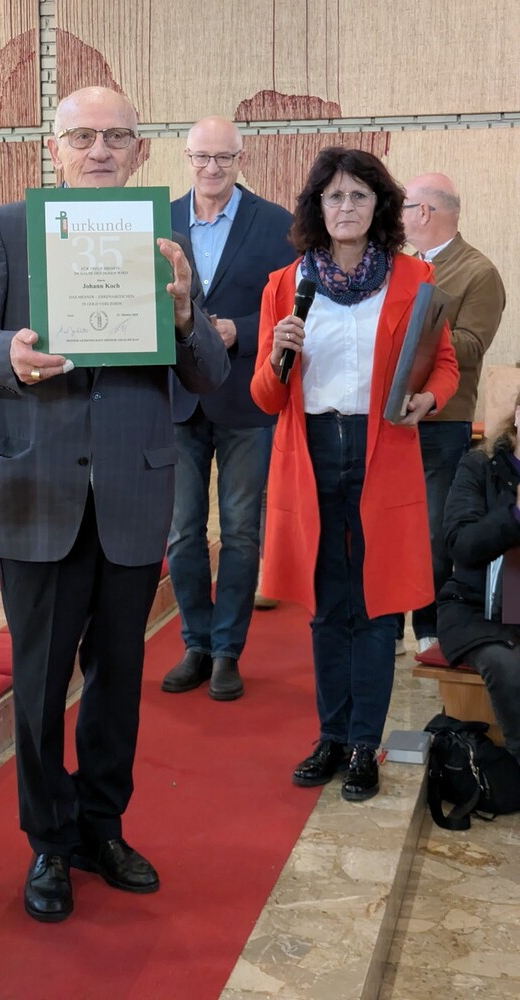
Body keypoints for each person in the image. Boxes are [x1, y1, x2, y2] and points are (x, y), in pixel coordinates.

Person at [0, 86, 229, 923]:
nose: (100, 150)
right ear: (54, 148)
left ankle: (102, 827)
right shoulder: (5, 229)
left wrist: (183, 313)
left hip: (132, 490)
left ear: (139, 151)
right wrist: (8, 353)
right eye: (84, 137)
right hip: (38, 492)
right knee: (38, 682)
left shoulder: (166, 241)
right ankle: (48, 842)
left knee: (118, 678)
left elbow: (209, 373)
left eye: (116, 137)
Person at [250, 147, 458, 801]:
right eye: (334, 196)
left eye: (358, 196)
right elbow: (264, 397)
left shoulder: (413, 278)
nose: (345, 207)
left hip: (381, 455)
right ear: (317, 206)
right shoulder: (285, 284)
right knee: (325, 607)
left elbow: (445, 364)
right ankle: (331, 737)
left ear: (379, 206)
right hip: (309, 455)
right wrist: (277, 357)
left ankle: (365, 744)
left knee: (374, 609)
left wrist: (430, 399)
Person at [162, 116, 295, 701]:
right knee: (182, 533)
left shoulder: (277, 224)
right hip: (177, 399)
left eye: (224, 157)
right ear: (187, 158)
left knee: (241, 532)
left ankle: (227, 651)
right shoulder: (162, 221)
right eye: (202, 157)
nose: (211, 168)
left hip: (246, 398)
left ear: (242, 159)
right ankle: (195, 642)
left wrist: (240, 329)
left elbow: (296, 304)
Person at [400, 173, 505, 653]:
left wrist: (414, 332)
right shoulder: (402, 266)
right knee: (389, 527)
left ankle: (432, 629)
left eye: (404, 208)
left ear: (424, 212)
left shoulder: (478, 272)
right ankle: (387, 625)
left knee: (434, 531)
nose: (399, 218)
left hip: (442, 420)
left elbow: (471, 346)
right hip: (392, 415)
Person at [437, 392, 520, 764]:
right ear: (517, 415)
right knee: (508, 664)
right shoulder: (480, 465)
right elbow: (461, 546)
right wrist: (514, 515)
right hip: (475, 610)